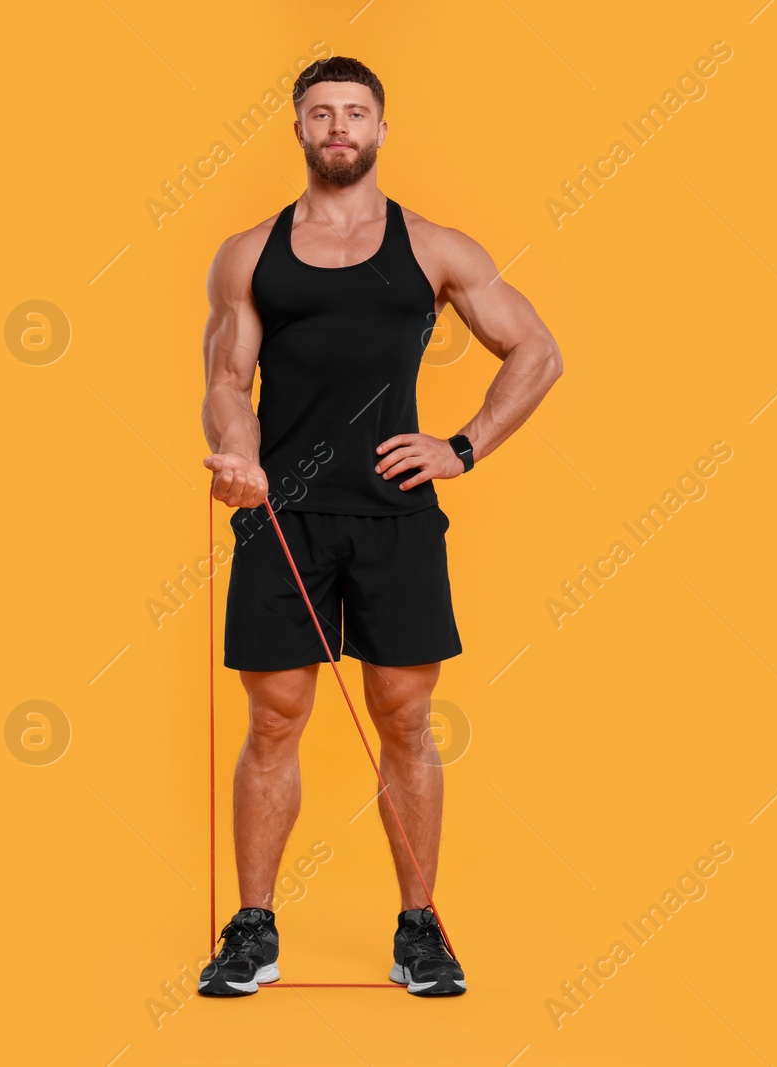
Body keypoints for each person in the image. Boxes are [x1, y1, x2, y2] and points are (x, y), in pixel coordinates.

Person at [196, 55, 562, 997]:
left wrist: (464, 447)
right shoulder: (249, 253)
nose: (338, 127)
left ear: (382, 128)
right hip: (284, 518)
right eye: (321, 113)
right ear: (300, 130)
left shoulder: (435, 248)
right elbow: (227, 383)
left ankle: (418, 928)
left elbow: (537, 350)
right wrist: (238, 458)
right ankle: (252, 929)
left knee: (406, 719)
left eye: (355, 112)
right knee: (273, 720)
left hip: (397, 516)